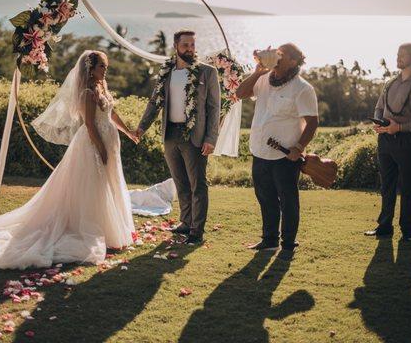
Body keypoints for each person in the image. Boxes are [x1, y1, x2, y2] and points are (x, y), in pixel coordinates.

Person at [0, 51, 140, 268]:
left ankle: (111, 227)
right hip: (93, 143)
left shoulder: (102, 87)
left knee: (109, 183)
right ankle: (92, 227)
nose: (105, 71)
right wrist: (101, 149)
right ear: (90, 69)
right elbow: (90, 124)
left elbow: (111, 114)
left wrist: (128, 132)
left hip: (109, 140)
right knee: (93, 186)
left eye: (105, 67)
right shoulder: (88, 92)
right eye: (102, 67)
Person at [136, 30, 220, 245]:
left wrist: (211, 138)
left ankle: (196, 230)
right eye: (185, 45)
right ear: (176, 46)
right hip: (170, 133)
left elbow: (214, 108)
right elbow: (154, 102)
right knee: (181, 183)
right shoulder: (167, 72)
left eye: (192, 44)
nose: (190, 49)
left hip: (195, 135)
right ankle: (185, 222)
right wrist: (141, 128)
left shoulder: (207, 73)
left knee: (197, 184)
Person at [236, 44, 318, 260]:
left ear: (293, 61)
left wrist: (298, 147)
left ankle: (288, 244)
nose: (277, 57)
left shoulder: (302, 88)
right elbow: (240, 93)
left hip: (285, 156)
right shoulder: (263, 78)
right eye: (276, 52)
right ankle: (269, 240)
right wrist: (257, 73)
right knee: (265, 197)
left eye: (282, 54)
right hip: (260, 150)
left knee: (288, 199)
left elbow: (312, 122)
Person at [365, 43, 411, 241]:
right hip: (385, 140)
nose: (398, 58)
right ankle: (384, 227)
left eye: (403, 55)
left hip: (408, 141)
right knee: (386, 184)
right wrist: (379, 123)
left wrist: (400, 128)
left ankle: (407, 232)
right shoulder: (390, 83)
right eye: (398, 54)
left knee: (408, 186)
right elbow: (379, 107)